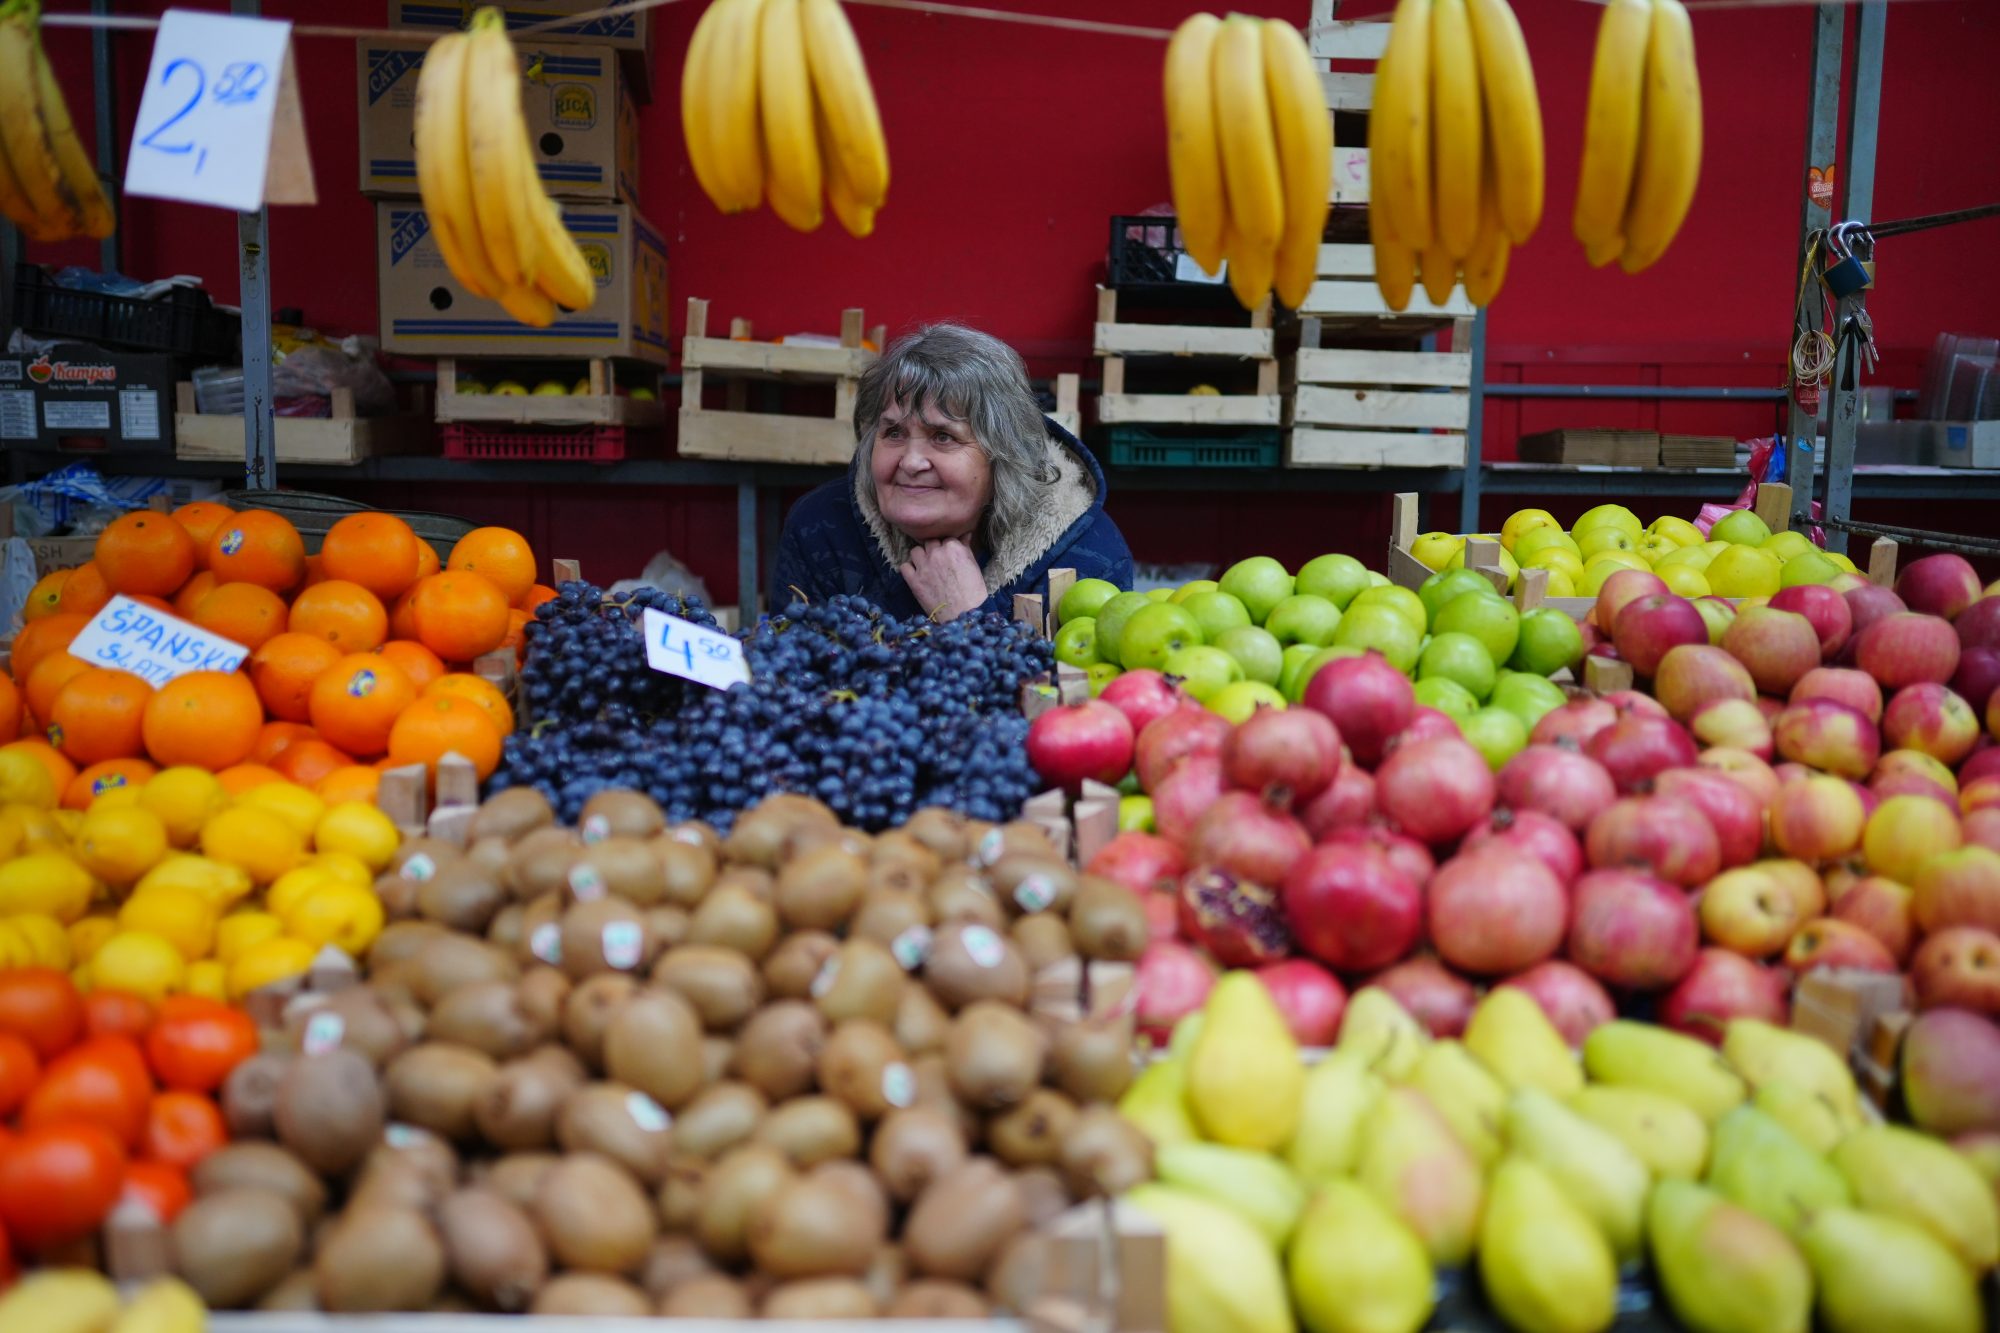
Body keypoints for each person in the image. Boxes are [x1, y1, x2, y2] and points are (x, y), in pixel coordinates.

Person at [769, 323, 1133, 621]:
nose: (911, 462)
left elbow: (1074, 704)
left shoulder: (1087, 554)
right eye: (893, 433)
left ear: (1004, 456)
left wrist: (967, 616)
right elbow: (791, 680)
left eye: (943, 436)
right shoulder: (822, 527)